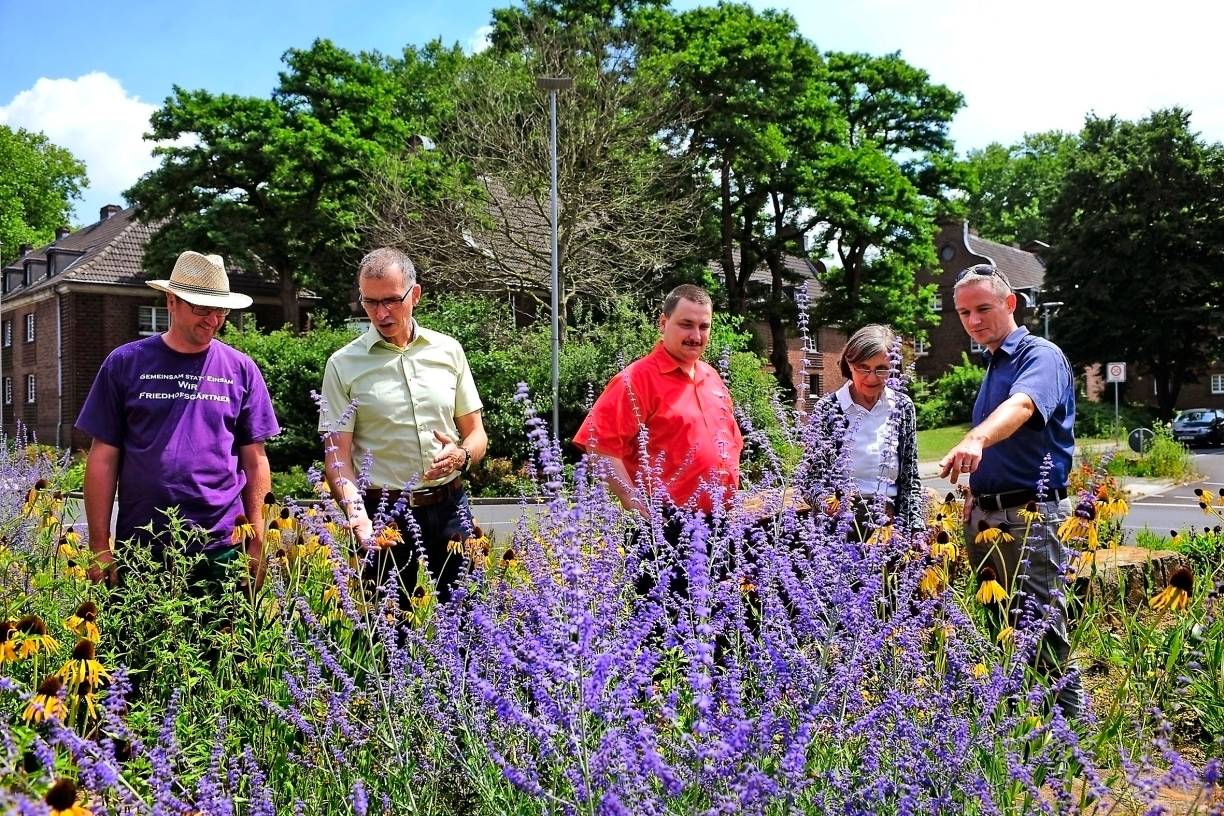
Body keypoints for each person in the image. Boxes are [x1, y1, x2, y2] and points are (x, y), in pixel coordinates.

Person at [77, 250, 280, 586]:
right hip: (141, 545)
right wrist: (99, 544)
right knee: (138, 639)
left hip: (222, 547)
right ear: (171, 301)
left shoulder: (240, 369)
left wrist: (258, 539)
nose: (213, 320)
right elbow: (102, 458)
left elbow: (255, 461)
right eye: (202, 308)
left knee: (224, 639)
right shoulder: (126, 363)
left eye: (221, 310)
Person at [937, 262, 1080, 719]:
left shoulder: (1040, 356)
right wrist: (974, 501)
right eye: (964, 313)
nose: (974, 321)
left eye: (983, 308)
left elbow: (1022, 406)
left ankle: (1068, 738)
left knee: (1040, 624)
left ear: (1010, 303)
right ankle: (1021, 725)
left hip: (1032, 515)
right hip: (988, 516)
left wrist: (976, 437)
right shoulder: (993, 362)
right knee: (1001, 623)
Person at [319, 247, 487, 604]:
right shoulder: (342, 365)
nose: (381, 313)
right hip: (384, 516)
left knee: (471, 628)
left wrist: (461, 455)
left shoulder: (448, 351)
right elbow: (337, 458)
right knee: (387, 638)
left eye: (392, 300)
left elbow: (476, 435)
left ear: (415, 295)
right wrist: (357, 516)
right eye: (370, 302)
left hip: (449, 506)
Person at [574, 284, 743, 516]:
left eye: (704, 327)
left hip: (723, 521)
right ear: (663, 323)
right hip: (667, 525)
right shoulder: (636, 380)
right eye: (686, 325)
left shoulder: (712, 377)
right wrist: (631, 499)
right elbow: (598, 444)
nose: (696, 336)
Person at [804, 324, 923, 534]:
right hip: (838, 529)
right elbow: (810, 482)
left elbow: (910, 479)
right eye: (863, 367)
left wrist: (913, 531)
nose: (871, 377)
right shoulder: (828, 408)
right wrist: (830, 506)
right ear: (849, 364)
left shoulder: (903, 407)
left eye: (881, 369)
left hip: (890, 526)